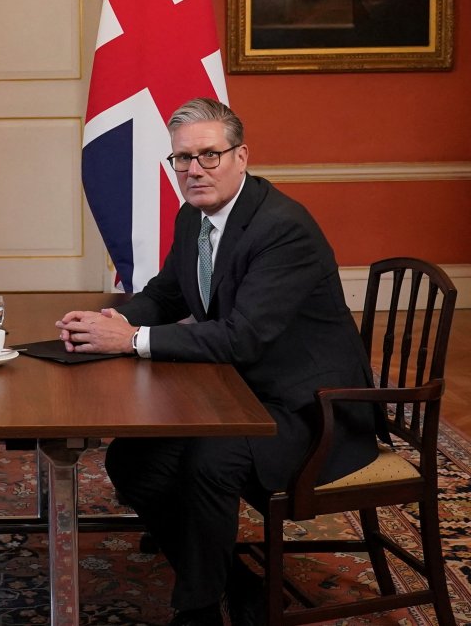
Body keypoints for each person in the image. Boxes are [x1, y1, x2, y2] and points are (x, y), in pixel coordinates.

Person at [56, 98, 380, 626]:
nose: (194, 170)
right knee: (132, 462)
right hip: (240, 393)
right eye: (181, 159)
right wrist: (105, 324)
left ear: (241, 156)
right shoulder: (195, 215)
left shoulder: (281, 228)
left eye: (209, 155)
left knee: (211, 458)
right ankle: (232, 579)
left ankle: (199, 610)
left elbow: (242, 338)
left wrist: (131, 340)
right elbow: (165, 295)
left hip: (311, 409)